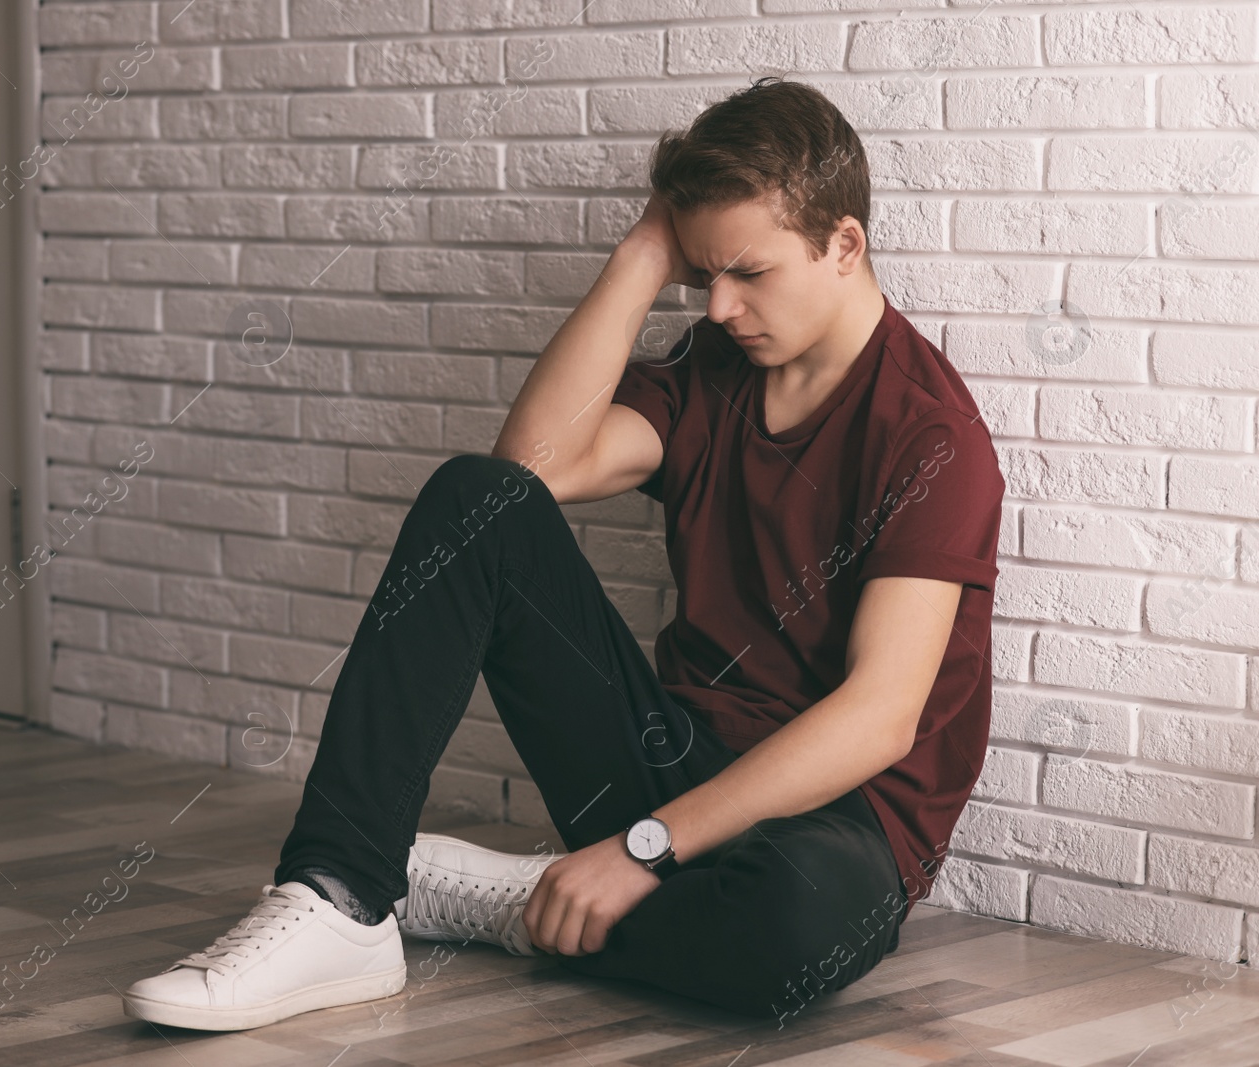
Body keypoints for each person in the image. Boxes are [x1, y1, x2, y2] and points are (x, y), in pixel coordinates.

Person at [120, 75, 1005, 1032]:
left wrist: (640, 849)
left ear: (844, 244)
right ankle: (339, 895)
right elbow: (535, 468)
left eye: (749, 272)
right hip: (671, 758)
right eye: (699, 272)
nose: (716, 307)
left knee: (792, 937)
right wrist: (641, 250)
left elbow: (878, 720)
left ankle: (526, 901)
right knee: (476, 499)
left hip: (837, 826)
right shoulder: (716, 371)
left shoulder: (930, 438)